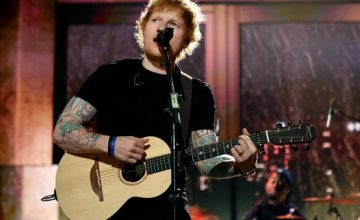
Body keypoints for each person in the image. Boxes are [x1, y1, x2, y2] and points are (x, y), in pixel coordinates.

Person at [53, 0, 258, 219]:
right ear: (144, 27)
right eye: (155, 20)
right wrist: (111, 144)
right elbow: (62, 130)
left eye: (173, 24)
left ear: (187, 38)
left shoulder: (196, 92)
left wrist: (240, 166)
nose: (161, 28)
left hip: (168, 212)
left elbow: (206, 159)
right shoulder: (110, 76)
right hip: (109, 211)